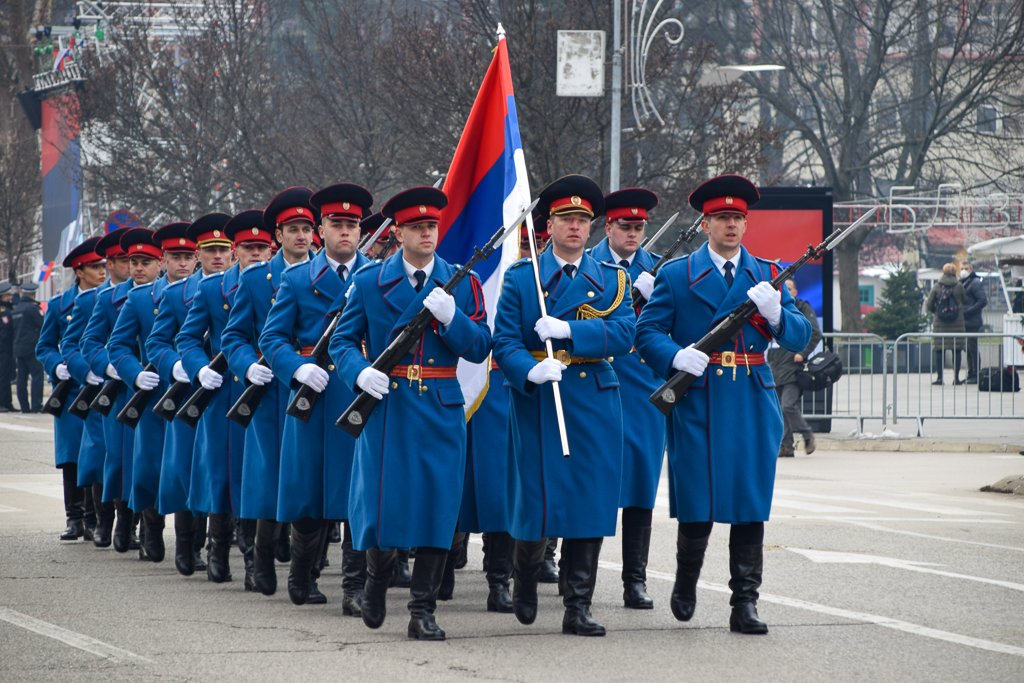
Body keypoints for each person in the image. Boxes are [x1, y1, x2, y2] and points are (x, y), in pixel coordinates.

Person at [635, 174, 812, 635]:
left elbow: (801, 336)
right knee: (698, 502)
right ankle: (686, 583)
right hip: (699, 397)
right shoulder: (676, 275)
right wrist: (675, 355)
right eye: (722, 218)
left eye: (737, 218)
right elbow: (646, 332)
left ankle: (745, 603)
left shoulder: (768, 274)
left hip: (751, 396)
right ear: (707, 223)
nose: (731, 225)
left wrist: (775, 313)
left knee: (750, 504)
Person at [331, 185, 492, 641]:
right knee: (385, 506)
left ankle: (423, 609)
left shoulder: (463, 282)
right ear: (398, 232)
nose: (427, 234)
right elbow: (342, 341)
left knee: (438, 509)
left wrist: (451, 317)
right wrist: (359, 374)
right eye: (418, 227)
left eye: (432, 226)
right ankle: (377, 581)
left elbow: (480, 346)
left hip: (440, 406)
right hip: (389, 404)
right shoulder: (368, 282)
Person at [493, 174, 636, 637]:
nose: (575, 227)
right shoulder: (523, 278)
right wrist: (528, 370)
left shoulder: (612, 278)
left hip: (592, 398)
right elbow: (504, 341)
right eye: (565, 219)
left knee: (588, 503)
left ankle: (578, 605)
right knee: (536, 498)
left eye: (582, 220)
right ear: (548, 225)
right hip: (539, 396)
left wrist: (574, 333)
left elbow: (626, 333)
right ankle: (528, 580)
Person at [260, 184, 368, 609]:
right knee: (310, 495)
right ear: (321, 229)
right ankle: (302, 574)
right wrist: (297, 368)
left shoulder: (377, 275)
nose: (345, 232)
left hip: (360, 394)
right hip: (314, 397)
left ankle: (354, 588)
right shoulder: (297, 278)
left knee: (361, 494)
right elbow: (273, 338)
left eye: (352, 225)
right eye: (336, 224)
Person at [222, 188, 314, 598]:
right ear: (278, 235)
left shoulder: (325, 276)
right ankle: (259, 557)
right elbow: (235, 336)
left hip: (313, 388)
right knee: (269, 478)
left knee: (309, 480)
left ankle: (303, 570)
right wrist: (248, 366)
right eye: (293, 230)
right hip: (270, 392)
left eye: (306, 229)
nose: (301, 237)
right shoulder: (258, 279)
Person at [177, 210, 268, 589]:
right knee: (222, 473)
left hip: (264, 389)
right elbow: (187, 339)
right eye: (248, 248)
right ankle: (217, 546)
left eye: (261, 247)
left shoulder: (278, 282)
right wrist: (199, 369)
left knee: (255, 473)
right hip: (225, 391)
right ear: (237, 251)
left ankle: (251, 553)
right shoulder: (213, 289)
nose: (255, 255)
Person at [588, 187, 663, 609]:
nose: (633, 234)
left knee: (639, 489)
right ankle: (571, 570)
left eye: (639, 228)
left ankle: (635, 579)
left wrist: (656, 298)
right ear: (609, 227)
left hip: (642, 389)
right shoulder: (589, 265)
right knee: (592, 483)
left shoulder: (659, 270)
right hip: (598, 383)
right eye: (626, 227)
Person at [82, 228, 160, 549]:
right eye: (133, 262)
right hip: (122, 390)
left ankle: (146, 527)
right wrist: (111, 365)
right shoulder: (107, 298)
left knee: (149, 459)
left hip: (156, 387)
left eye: (145, 262)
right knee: (117, 457)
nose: (138, 268)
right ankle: (116, 520)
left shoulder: (171, 293)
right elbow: (90, 342)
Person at [35, 238, 108, 541]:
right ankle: (74, 517)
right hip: (70, 390)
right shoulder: (59, 305)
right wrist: (57, 366)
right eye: (94, 267)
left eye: (103, 266)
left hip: (101, 386)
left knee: (98, 453)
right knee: (71, 456)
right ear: (79, 271)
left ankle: (94, 517)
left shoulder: (112, 299)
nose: (101, 272)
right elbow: (45, 346)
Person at [767, 279, 823, 457]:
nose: (784, 290)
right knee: (779, 410)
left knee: (787, 406)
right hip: (775, 366)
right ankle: (786, 446)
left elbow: (815, 332)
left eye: (788, 288)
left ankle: (807, 435)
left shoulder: (802, 307)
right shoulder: (774, 307)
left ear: (795, 292)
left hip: (793, 366)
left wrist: (803, 353)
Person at [925, 262, 967, 386]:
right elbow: (965, 300)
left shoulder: (937, 286)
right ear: (955, 272)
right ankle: (956, 378)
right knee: (957, 350)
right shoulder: (959, 286)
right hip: (957, 323)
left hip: (940, 323)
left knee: (939, 350)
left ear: (943, 272)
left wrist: (937, 312)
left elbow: (929, 304)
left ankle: (939, 378)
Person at [14, 283, 45, 414]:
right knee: (37, 375)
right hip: (32, 346)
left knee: (21, 377)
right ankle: (36, 405)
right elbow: (42, 324)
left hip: (18, 347)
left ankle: (24, 406)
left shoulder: (16, 309)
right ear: (33, 294)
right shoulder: (32, 309)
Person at [959, 261, 987, 384]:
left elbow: (982, 301)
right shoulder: (963, 282)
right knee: (968, 348)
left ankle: (976, 373)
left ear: (971, 269)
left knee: (972, 347)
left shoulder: (975, 283)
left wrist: (968, 311)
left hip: (972, 321)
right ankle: (971, 373)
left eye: (966, 268)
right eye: (961, 268)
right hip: (966, 321)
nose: (963, 271)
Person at [0, 282, 16, 412]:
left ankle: (7, 402)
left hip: (8, 348)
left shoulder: (9, 308)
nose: (10, 297)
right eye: (7, 295)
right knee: (3, 375)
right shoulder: (3, 311)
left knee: (8, 375)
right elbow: (6, 329)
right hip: (3, 348)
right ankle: (2, 403)